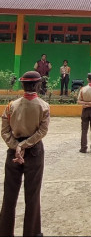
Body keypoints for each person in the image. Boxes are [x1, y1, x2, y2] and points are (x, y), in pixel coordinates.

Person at [0, 71, 50, 236]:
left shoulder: (11, 105)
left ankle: (5, 232)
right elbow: (42, 131)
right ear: (37, 85)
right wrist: (25, 145)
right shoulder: (43, 106)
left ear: (22, 85)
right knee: (32, 194)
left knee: (9, 195)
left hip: (13, 152)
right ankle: (32, 233)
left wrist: (16, 146)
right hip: (34, 150)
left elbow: (5, 131)